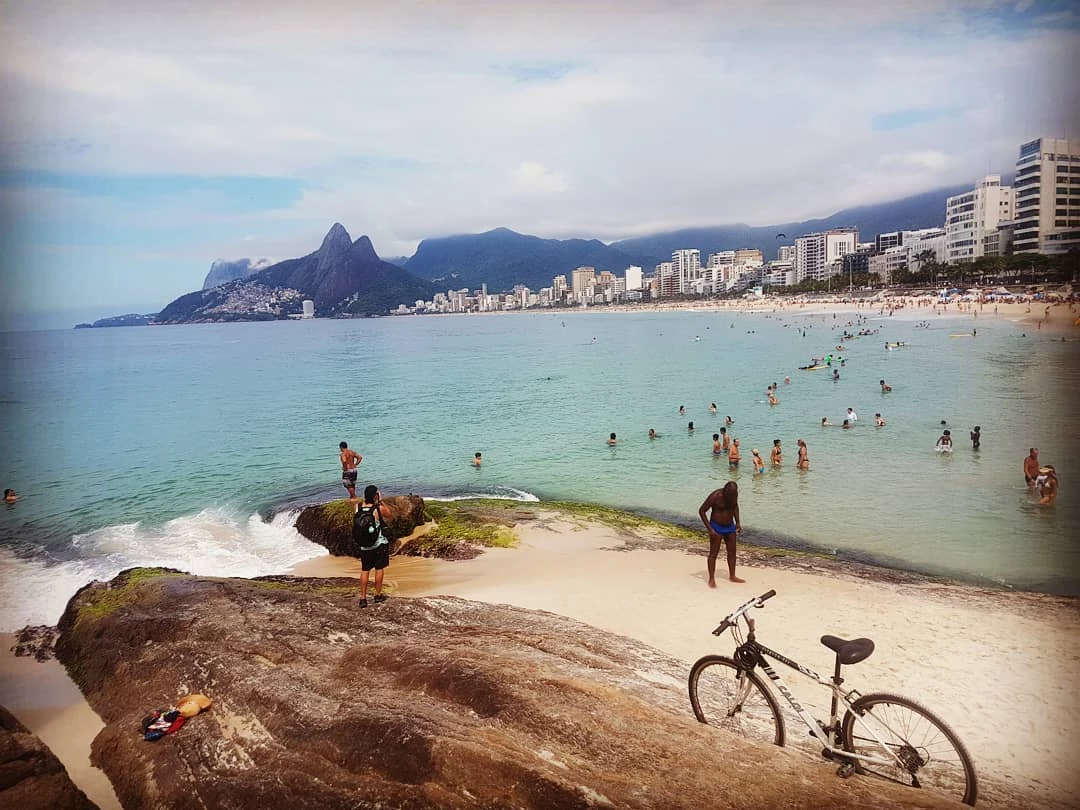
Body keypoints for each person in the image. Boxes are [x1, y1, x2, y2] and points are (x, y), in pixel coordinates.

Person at [698, 481, 744, 586]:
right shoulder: (716, 496)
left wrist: (738, 523)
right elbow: (702, 511)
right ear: (725, 491)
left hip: (730, 526)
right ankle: (711, 579)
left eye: (734, 495)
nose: (732, 497)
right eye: (730, 495)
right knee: (713, 554)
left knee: (732, 553)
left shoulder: (733, 495)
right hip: (716, 527)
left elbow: (735, 507)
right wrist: (710, 529)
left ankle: (732, 576)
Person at [355, 485, 392, 607]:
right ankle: (377, 595)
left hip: (364, 545)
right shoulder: (378, 509)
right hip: (378, 544)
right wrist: (381, 501)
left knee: (365, 570)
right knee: (379, 568)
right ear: (375, 495)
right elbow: (389, 514)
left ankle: (363, 598)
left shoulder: (358, 507)